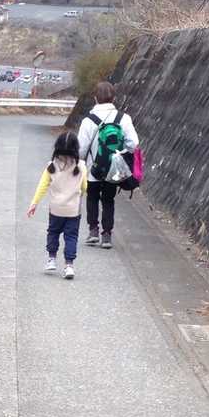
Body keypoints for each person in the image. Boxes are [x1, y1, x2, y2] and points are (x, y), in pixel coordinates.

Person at [77, 80, 140, 249]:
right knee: (108, 199)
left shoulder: (88, 120)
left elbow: (81, 148)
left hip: (94, 168)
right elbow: (134, 144)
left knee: (92, 197)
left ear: (95, 98)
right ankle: (106, 235)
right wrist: (120, 153)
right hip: (114, 169)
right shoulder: (123, 118)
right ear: (113, 98)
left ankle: (93, 231)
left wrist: (83, 161)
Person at [26, 130, 89, 279]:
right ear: (76, 148)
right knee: (71, 236)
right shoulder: (81, 166)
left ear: (57, 147)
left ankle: (52, 259)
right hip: (73, 210)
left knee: (53, 232)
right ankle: (69, 265)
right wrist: (80, 194)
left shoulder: (51, 166)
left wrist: (34, 203)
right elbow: (84, 187)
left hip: (55, 209)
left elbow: (42, 186)